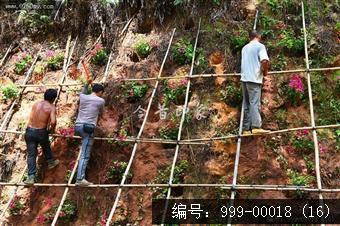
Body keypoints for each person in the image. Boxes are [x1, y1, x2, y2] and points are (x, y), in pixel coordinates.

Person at [24, 89, 60, 184]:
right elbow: (53, 122)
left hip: (29, 131)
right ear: (53, 98)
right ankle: (51, 162)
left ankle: (31, 177)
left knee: (31, 154)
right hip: (40, 132)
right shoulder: (51, 107)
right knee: (45, 143)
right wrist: (52, 130)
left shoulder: (36, 104)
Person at [75, 76, 105, 186]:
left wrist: (87, 83)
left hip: (78, 126)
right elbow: (101, 113)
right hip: (88, 128)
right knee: (85, 154)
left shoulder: (83, 97)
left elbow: (83, 90)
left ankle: (80, 177)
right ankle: (80, 179)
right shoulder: (101, 101)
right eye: (102, 92)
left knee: (83, 149)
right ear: (100, 92)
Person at [241, 30, 270, 135]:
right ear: (259, 36)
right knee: (254, 102)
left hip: (244, 78)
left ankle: (246, 129)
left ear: (250, 37)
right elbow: (264, 61)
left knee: (247, 103)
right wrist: (265, 71)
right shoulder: (260, 46)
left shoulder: (244, 48)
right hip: (254, 78)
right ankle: (256, 126)